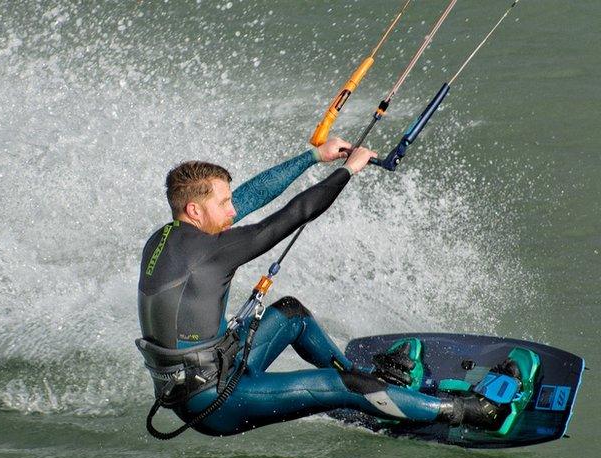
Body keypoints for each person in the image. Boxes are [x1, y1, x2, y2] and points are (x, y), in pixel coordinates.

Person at [136, 138, 515, 436]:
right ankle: (470, 412)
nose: (234, 210)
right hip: (218, 402)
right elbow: (295, 214)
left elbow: (251, 196)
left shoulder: (164, 238)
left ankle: (372, 388)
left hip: (218, 370)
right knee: (346, 385)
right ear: (195, 211)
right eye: (224, 203)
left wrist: (313, 157)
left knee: (291, 315)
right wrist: (348, 169)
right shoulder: (211, 251)